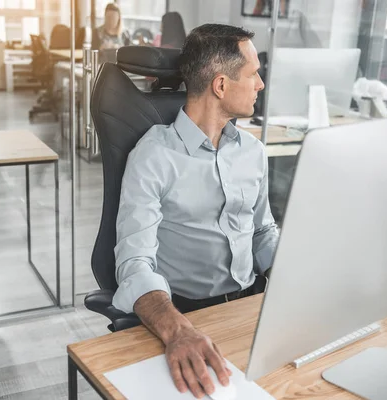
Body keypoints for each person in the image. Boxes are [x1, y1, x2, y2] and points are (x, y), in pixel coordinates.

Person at [112, 24, 278, 398]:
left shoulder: (252, 152)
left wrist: (293, 277)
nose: (260, 85)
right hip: (186, 313)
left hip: (250, 306)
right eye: (253, 74)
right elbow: (134, 263)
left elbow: (262, 231)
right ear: (221, 85)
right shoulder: (154, 157)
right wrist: (178, 330)